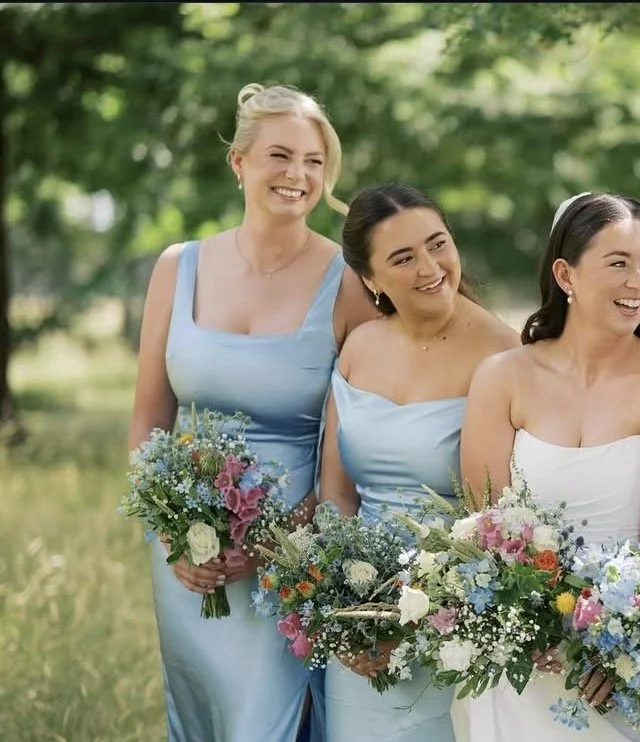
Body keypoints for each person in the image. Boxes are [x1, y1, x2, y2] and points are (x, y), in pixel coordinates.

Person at [127, 82, 379, 742]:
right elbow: (149, 417)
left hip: (288, 555)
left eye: (315, 161)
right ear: (239, 162)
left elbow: (354, 439)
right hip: (185, 559)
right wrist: (172, 535)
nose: (298, 174)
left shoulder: (349, 282)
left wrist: (272, 546)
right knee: (203, 718)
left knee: (266, 721)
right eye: (280, 155)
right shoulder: (176, 268)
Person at [456, 192, 640, 742]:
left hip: (624, 666)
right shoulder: (501, 378)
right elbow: (488, 529)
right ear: (565, 274)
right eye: (618, 263)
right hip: (524, 661)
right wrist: (537, 629)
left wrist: (616, 645)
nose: (639, 283)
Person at [316, 183, 519, 741]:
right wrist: (347, 607)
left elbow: (498, 518)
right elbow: (336, 495)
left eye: (438, 244)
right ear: (372, 280)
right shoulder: (359, 347)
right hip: (358, 622)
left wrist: (421, 615)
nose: (430, 267)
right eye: (403, 258)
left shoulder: (505, 355)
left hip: (455, 618)